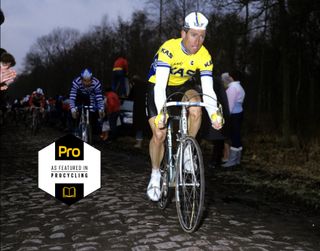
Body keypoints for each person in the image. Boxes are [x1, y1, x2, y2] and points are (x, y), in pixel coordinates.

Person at [145, 12, 224, 201]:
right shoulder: (169, 49)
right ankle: (156, 173)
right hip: (158, 86)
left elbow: (208, 90)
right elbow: (161, 86)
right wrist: (162, 113)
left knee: (196, 106)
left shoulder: (204, 55)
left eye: (202, 36)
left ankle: (187, 148)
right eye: (194, 35)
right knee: (159, 134)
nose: (198, 41)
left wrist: (214, 114)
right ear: (183, 34)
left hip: (183, 86)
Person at [201, 76, 230, 168]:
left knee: (217, 139)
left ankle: (215, 160)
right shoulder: (218, 85)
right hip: (216, 113)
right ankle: (215, 160)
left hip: (215, 113)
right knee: (218, 140)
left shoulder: (213, 84)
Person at [221, 71, 245, 167]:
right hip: (239, 113)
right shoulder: (239, 86)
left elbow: (229, 106)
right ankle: (237, 160)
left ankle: (232, 161)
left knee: (234, 137)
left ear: (231, 77)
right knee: (237, 136)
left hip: (234, 115)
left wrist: (225, 117)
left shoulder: (232, 88)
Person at [69, 68, 105, 135]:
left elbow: (99, 97)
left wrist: (101, 109)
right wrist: (73, 109)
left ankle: (92, 131)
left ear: (92, 79)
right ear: (81, 79)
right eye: (84, 81)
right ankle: (76, 128)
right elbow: (72, 97)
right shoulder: (76, 82)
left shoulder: (96, 83)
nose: (86, 83)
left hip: (91, 96)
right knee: (75, 112)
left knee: (93, 112)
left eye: (89, 81)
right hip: (79, 95)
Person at [130, 75, 148, 148]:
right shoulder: (146, 86)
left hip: (138, 108)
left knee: (138, 126)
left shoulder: (135, 87)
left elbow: (130, 97)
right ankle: (146, 142)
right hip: (147, 108)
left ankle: (139, 143)